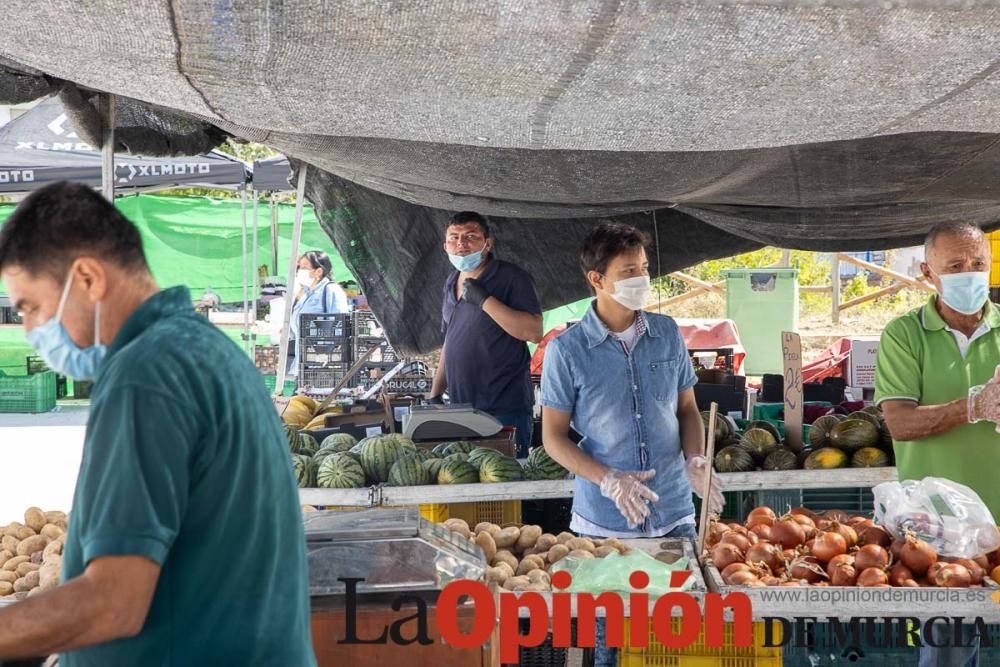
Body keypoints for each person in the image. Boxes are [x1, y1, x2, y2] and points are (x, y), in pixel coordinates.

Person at [0, 182, 315, 666]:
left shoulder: (144, 376)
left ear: (87, 278)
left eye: (31, 307)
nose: (29, 330)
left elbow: (112, 604)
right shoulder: (204, 350)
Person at [539, 222, 723, 667]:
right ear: (597, 279)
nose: (643, 279)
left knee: (680, 643)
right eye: (629, 271)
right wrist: (608, 479)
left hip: (674, 514)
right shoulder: (567, 351)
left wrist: (696, 457)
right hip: (604, 523)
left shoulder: (666, 333)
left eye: (644, 268)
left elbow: (687, 411)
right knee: (610, 649)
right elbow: (552, 438)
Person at [877, 221, 1000, 667]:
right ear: (928, 271)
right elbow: (900, 423)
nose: (969, 273)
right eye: (955, 265)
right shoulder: (904, 335)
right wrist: (974, 407)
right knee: (947, 651)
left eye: (978, 264)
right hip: (939, 531)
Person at [428, 211, 543, 457]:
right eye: (454, 237)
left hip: (504, 406)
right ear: (444, 244)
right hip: (461, 407)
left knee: (505, 478)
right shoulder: (451, 281)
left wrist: (486, 301)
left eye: (471, 236)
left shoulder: (511, 278)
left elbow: (533, 332)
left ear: (488, 243)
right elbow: (451, 340)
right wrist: (435, 394)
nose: (461, 244)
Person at [289, 250, 350, 376]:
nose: (299, 271)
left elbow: (341, 326)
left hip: (322, 368)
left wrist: (326, 355)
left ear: (319, 271)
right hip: (303, 365)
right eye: (299, 267)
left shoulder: (331, 291)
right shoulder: (306, 294)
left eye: (304, 267)